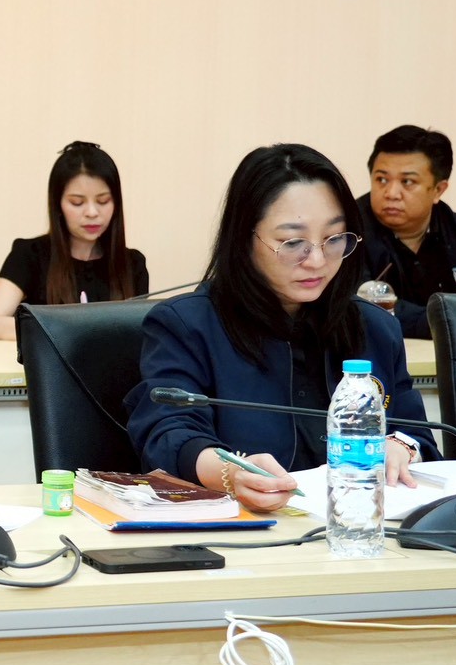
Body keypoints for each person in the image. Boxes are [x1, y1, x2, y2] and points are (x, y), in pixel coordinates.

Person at [126, 144, 438, 512]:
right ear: (245, 238)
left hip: (360, 526)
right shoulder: (187, 326)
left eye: (334, 238)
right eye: (293, 242)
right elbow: (168, 434)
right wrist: (230, 473)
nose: (317, 260)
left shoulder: (375, 328)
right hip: (245, 531)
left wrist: (402, 446)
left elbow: (418, 435)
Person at [0, 141, 149, 340]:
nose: (92, 212)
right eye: (77, 202)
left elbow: (139, 334)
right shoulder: (30, 255)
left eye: (103, 201)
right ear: (58, 204)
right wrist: (64, 331)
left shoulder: (132, 264)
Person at [356, 124, 456, 338]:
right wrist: (449, 321)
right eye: (381, 180)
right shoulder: (346, 233)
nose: (391, 193)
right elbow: (362, 308)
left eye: (407, 182)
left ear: (438, 190)